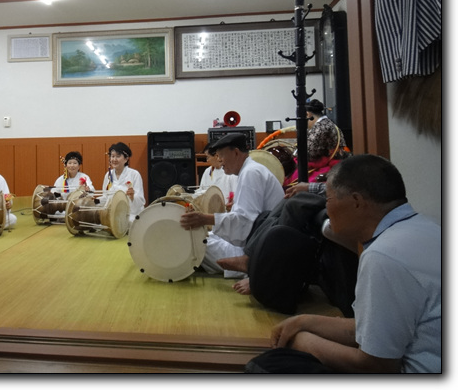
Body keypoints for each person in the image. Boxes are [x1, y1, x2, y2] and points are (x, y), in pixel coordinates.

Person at [246, 154, 441, 373]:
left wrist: (304, 343)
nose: (327, 209)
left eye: (328, 200)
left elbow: (377, 365)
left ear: (356, 202)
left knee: (272, 364)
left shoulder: (383, 256)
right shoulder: (427, 228)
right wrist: (303, 322)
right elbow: (377, 328)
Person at [180, 133, 284, 277]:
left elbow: (244, 222)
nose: (219, 160)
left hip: (257, 249)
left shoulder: (250, 173)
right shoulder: (250, 170)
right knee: (205, 235)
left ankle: (249, 266)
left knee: (194, 240)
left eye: (221, 156)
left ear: (235, 152)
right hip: (257, 240)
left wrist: (205, 219)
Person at [102, 142, 145, 223]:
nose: (114, 159)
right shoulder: (108, 175)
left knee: (128, 221)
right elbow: (105, 197)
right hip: (113, 213)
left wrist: (132, 197)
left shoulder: (134, 174)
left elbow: (140, 199)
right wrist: (92, 200)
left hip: (130, 214)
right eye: (112, 156)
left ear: (126, 159)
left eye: (118, 156)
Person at [198, 142, 237, 207]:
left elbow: (236, 193)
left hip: (227, 208)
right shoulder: (208, 171)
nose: (207, 160)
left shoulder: (230, 171)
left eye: (208, 157)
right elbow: (201, 191)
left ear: (216, 156)